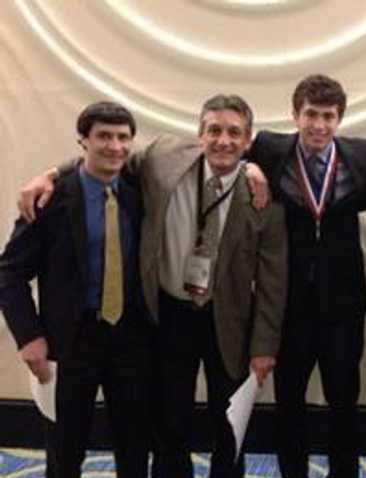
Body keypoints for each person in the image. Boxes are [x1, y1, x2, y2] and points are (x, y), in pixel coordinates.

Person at [15, 94, 288, 478]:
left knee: (229, 425)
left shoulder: (266, 197)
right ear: (199, 134)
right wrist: (51, 174)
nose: (223, 140)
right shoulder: (164, 159)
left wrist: (263, 348)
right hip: (169, 315)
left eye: (234, 133)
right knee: (168, 421)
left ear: (247, 141)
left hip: (229, 322)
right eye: (214, 130)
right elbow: (105, 159)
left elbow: (274, 282)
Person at [0, 101, 152, 477]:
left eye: (122, 137)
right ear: (83, 140)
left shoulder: (141, 193)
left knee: (135, 446)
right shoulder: (50, 200)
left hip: (131, 337)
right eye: (103, 136)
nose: (114, 146)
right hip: (69, 339)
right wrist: (28, 337)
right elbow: (9, 273)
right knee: (65, 451)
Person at [248, 74, 366, 478]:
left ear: (340, 118)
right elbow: (218, 154)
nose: (319, 126)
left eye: (328, 116)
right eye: (311, 115)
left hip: (343, 307)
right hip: (290, 305)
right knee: (289, 402)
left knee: (344, 402)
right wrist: (251, 167)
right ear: (295, 114)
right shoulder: (270, 150)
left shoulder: (363, 156)